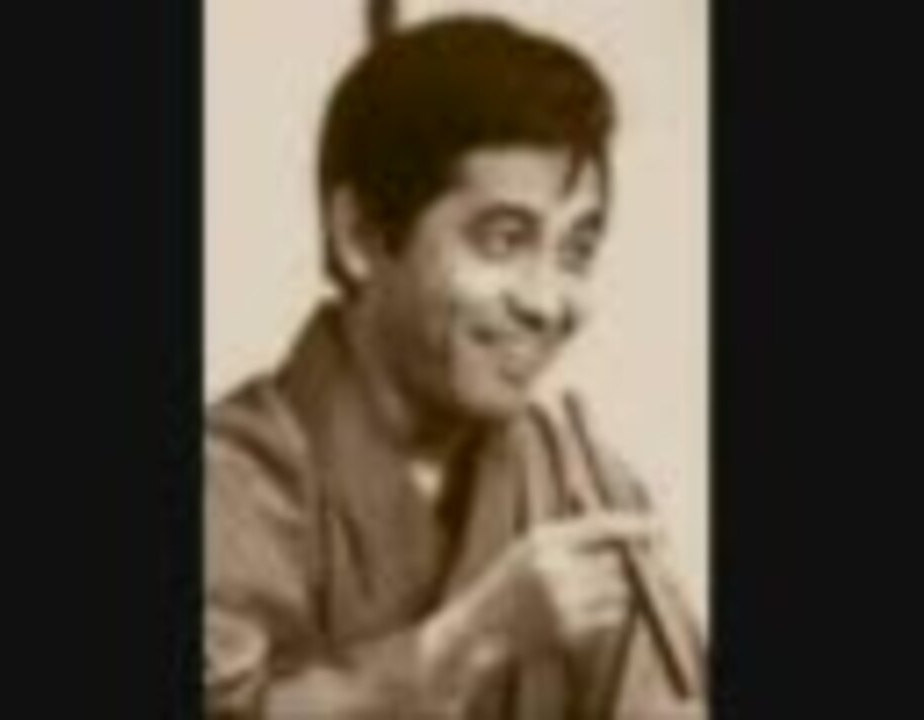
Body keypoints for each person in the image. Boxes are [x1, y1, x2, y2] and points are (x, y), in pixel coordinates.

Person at [205, 15, 707, 719]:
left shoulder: (581, 486)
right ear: (359, 236)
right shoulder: (227, 481)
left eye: (575, 252)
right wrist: (462, 646)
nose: (547, 302)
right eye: (503, 241)